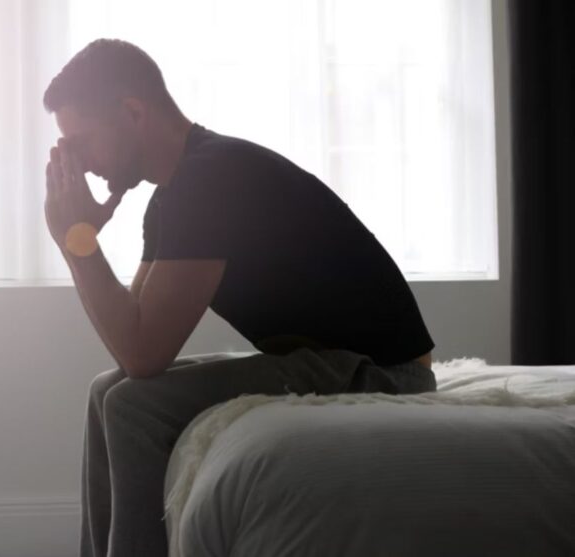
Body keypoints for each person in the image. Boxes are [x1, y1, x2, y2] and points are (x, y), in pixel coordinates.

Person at [42, 38, 437, 557]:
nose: (83, 164)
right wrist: (79, 239)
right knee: (106, 391)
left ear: (132, 112)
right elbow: (131, 337)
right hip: (323, 359)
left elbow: (142, 354)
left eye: (83, 142)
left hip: (384, 372)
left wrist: (76, 241)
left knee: (133, 406)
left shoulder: (209, 180)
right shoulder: (174, 194)